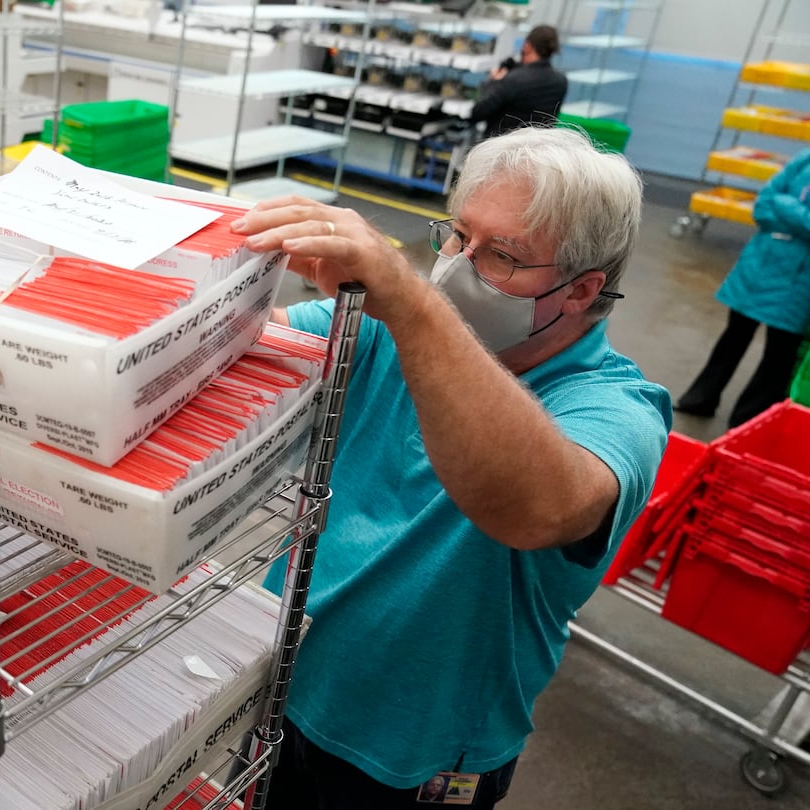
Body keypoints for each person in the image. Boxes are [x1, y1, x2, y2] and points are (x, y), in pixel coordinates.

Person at [229, 126, 670, 809]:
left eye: (503, 256)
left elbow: (541, 507)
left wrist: (412, 305)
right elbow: (252, 348)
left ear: (582, 291)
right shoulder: (382, 331)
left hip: (412, 757)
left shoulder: (617, 408)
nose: (458, 267)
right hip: (279, 685)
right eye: (459, 235)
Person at [674, 149, 810, 427]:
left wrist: (783, 206)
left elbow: (778, 203)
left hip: (799, 279)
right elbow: (763, 205)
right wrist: (796, 216)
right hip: (760, 264)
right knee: (733, 337)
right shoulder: (803, 160)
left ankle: (747, 423)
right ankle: (700, 399)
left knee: (778, 355)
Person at [469, 25, 568, 138]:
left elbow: (478, 112)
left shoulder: (513, 80)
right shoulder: (560, 81)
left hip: (502, 147)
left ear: (527, 45)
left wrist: (493, 82)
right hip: (536, 147)